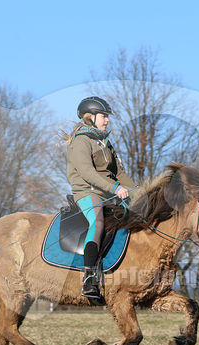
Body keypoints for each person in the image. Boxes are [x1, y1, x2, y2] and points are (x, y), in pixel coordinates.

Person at [66, 96, 136, 298]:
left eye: (107, 117)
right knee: (97, 222)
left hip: (109, 193)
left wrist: (140, 194)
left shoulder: (105, 143)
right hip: (87, 192)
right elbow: (88, 173)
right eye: (104, 116)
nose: (107, 120)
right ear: (90, 118)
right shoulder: (81, 142)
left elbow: (120, 173)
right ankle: (89, 278)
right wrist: (115, 188)